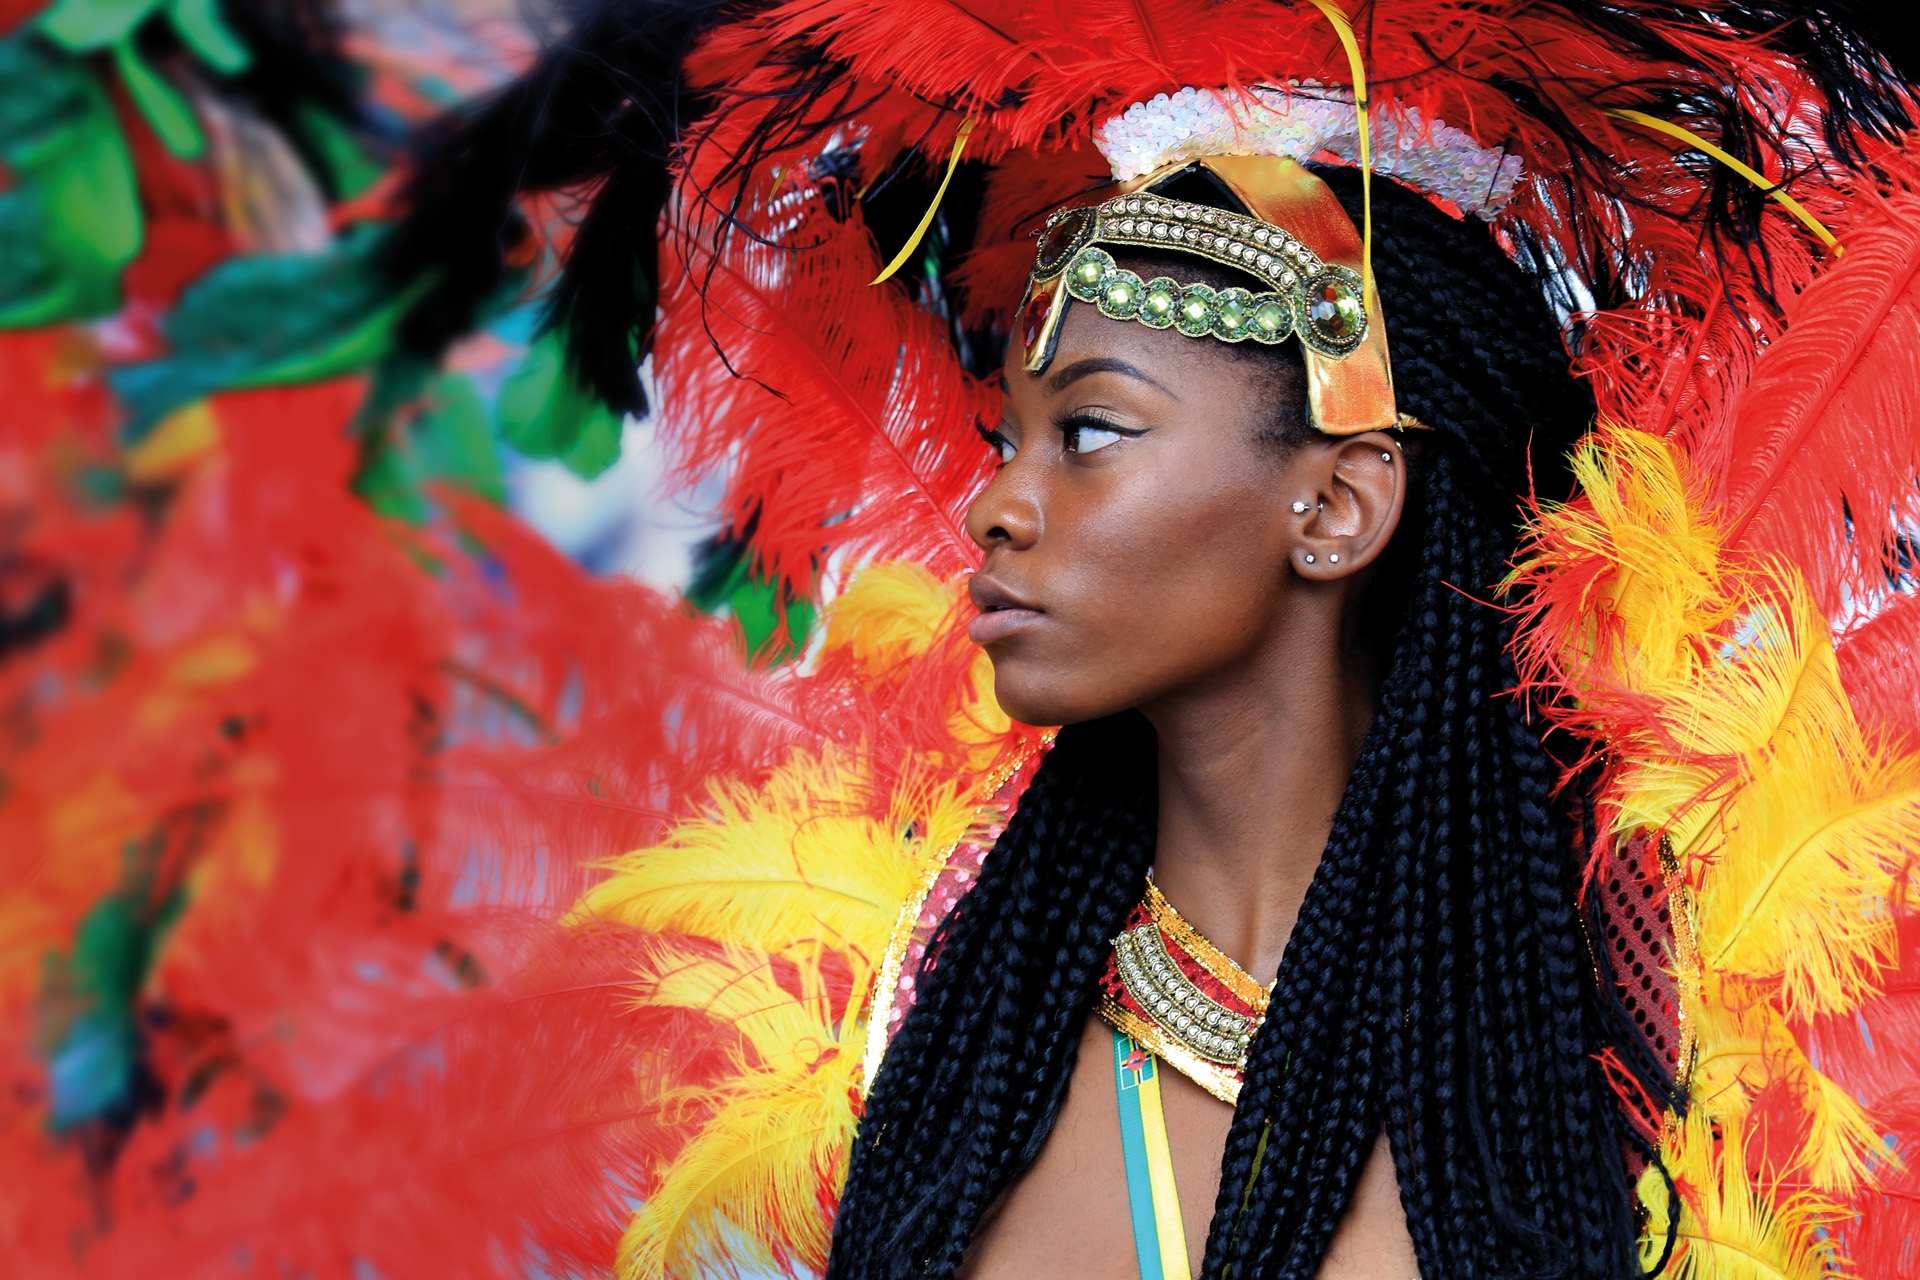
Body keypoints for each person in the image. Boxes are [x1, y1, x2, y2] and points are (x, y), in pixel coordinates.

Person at [378, 4, 1920, 1278]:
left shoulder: (1671, 1039)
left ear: (1337, 507)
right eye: (1010, 437)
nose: (996, 508)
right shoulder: (921, 1008)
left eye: (1093, 435)